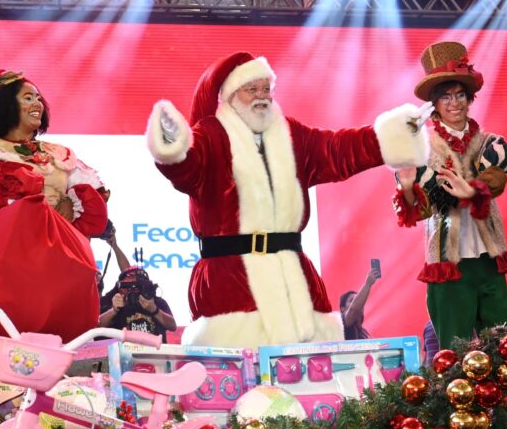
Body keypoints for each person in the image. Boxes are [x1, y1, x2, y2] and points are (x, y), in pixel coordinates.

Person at [146, 50, 425, 347]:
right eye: (251, 89)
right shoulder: (211, 134)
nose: (261, 96)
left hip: (294, 279)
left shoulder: (292, 134)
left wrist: (392, 135)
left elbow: (338, 150)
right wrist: (172, 143)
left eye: (265, 88)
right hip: (231, 279)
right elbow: (185, 169)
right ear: (231, 96)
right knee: (239, 360)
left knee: (310, 363)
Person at [0, 69, 109, 344]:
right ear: (4, 105)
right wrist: (26, 211)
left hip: (59, 268)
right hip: (6, 272)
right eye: (28, 98)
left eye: (38, 98)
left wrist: (66, 210)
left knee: (62, 349)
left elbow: (92, 213)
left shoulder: (60, 155)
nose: (37, 104)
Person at [392, 41, 507, 351]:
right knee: (454, 353)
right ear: (434, 103)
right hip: (449, 265)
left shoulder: (490, 143)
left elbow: (498, 176)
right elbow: (420, 209)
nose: (455, 103)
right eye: (446, 97)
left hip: (489, 260)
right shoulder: (421, 150)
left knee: (503, 348)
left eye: (460, 95)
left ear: (469, 98)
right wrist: (407, 187)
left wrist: (472, 189)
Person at [98, 267, 177, 335]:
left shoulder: (157, 302)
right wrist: (114, 310)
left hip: (154, 348)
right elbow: (97, 328)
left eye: (137, 286)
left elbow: (173, 326)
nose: (132, 290)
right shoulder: (119, 304)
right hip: (126, 348)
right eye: (127, 287)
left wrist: (154, 310)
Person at [340, 263, 382, 340]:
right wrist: (368, 284)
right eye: (352, 301)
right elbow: (353, 310)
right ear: (343, 309)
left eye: (359, 299)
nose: (359, 303)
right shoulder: (341, 324)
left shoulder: (366, 333)